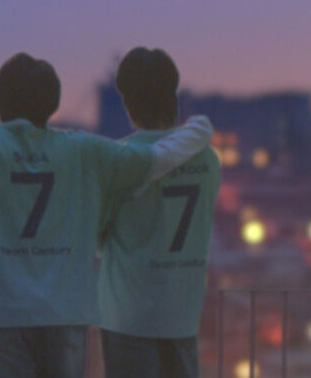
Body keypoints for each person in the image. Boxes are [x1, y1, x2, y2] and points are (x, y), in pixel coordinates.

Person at [0, 53, 212, 378]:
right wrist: (200, 129)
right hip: (65, 312)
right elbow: (156, 158)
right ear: (53, 103)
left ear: (1, 103)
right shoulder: (83, 150)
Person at [97, 48, 222, 378]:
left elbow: (98, 239)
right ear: (173, 94)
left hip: (128, 314)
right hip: (182, 314)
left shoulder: (120, 160)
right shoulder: (208, 160)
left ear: (127, 103)